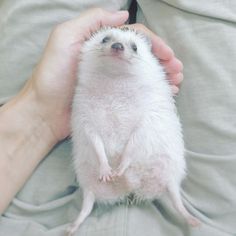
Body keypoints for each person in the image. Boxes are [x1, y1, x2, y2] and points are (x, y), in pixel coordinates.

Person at [1, 1, 235, 236]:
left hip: (28, 218)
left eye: (131, 47)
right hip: (213, 220)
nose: (116, 46)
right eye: (105, 40)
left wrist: (38, 110)